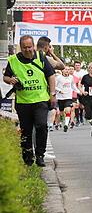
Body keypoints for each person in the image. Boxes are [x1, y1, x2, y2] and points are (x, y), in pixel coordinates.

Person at [3, 35, 57, 166]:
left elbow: (51, 75)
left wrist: (53, 94)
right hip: (23, 102)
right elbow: (5, 77)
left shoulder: (41, 57)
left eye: (29, 47)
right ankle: (27, 158)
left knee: (41, 126)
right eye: (24, 47)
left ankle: (40, 155)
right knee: (26, 130)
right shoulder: (14, 60)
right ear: (20, 48)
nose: (27, 50)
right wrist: (11, 80)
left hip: (40, 99)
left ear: (33, 46)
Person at [54, 65, 79, 132]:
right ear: (62, 70)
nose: (67, 71)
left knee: (68, 110)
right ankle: (62, 119)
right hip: (60, 98)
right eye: (65, 69)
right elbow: (54, 86)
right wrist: (59, 90)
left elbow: (73, 86)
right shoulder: (58, 78)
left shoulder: (71, 77)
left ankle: (66, 124)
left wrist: (79, 92)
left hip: (68, 97)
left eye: (68, 69)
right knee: (61, 113)